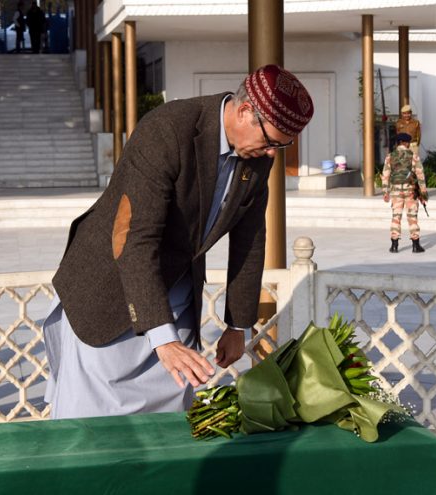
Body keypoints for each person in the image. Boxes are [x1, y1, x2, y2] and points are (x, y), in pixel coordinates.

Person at [43, 65, 314, 419]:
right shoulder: (168, 129)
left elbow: (249, 239)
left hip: (176, 291)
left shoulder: (256, 154)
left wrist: (238, 325)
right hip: (109, 290)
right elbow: (135, 237)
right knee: (92, 428)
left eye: (284, 145)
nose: (272, 154)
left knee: (167, 420)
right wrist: (163, 339)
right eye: (273, 142)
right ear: (246, 112)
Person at [382, 132, 428, 253]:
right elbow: (420, 175)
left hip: (396, 192)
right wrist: (423, 193)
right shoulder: (413, 156)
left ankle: (394, 245)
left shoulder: (390, 156)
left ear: (398, 143)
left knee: (396, 217)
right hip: (410, 191)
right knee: (412, 217)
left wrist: (385, 191)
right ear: (406, 143)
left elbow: (385, 175)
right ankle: (415, 245)